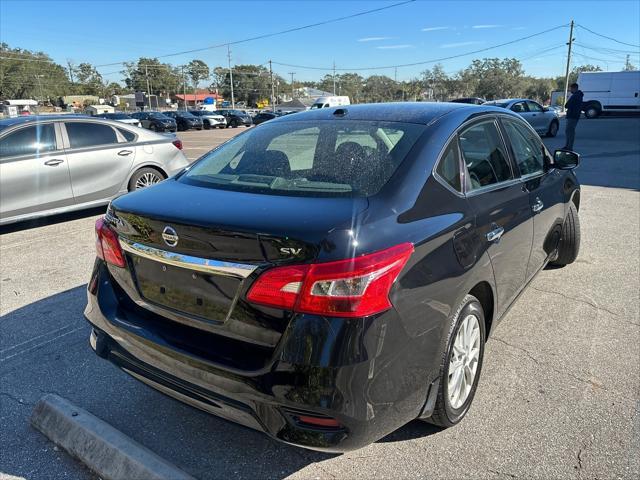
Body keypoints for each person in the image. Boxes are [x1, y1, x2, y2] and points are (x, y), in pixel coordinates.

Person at [563, 83, 583, 150]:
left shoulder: (575, 96)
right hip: (574, 116)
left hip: (572, 116)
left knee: (570, 131)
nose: (570, 90)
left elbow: (567, 105)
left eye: (571, 88)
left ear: (574, 88)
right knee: (569, 131)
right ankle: (568, 146)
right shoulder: (578, 95)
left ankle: (569, 147)